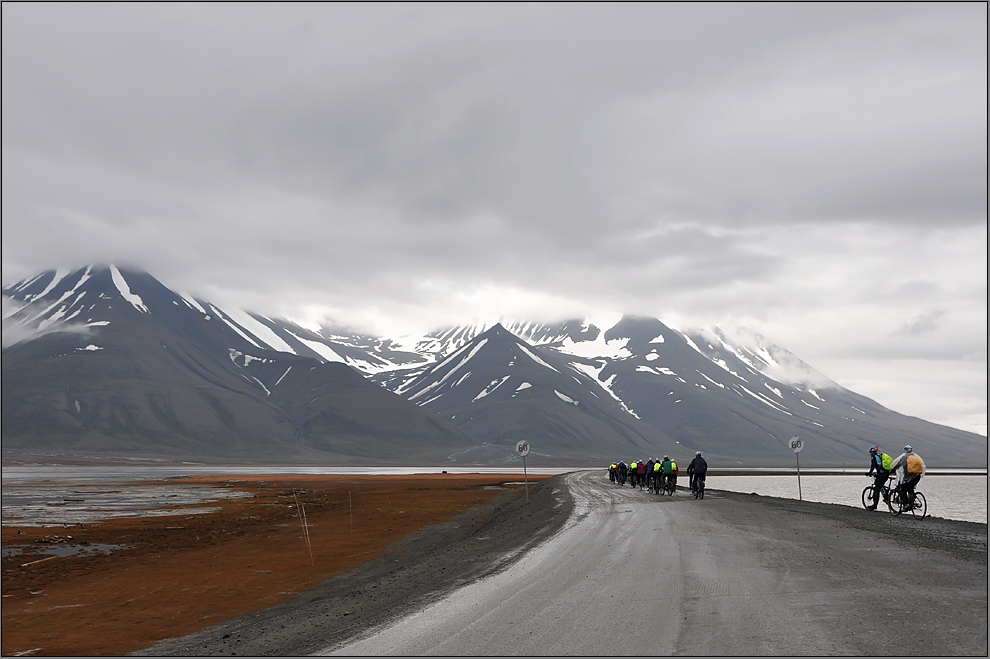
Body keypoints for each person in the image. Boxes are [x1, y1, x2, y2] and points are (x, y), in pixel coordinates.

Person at [890, 445, 926, 510]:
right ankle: (912, 502)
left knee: (902, 490)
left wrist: (892, 470)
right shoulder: (916, 457)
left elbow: (897, 465)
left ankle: (906, 504)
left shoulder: (903, 457)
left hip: (908, 478)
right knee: (910, 488)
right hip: (917, 477)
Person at [864, 445, 891, 510]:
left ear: (872, 452)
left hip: (881, 475)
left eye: (870, 452)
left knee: (876, 489)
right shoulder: (879, 456)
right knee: (881, 486)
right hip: (886, 474)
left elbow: (873, 467)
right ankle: (886, 498)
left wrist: (869, 473)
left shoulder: (874, 457)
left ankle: (874, 505)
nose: (870, 454)